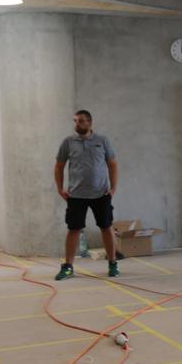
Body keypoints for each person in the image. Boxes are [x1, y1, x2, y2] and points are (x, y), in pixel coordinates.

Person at [54, 110, 119, 280]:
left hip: (101, 194)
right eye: (75, 121)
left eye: (81, 121)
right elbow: (59, 166)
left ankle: (113, 264)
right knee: (73, 229)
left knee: (106, 227)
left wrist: (113, 188)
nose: (77, 124)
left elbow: (112, 164)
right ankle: (68, 267)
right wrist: (60, 188)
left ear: (90, 122)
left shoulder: (102, 141)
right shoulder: (68, 142)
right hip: (76, 195)